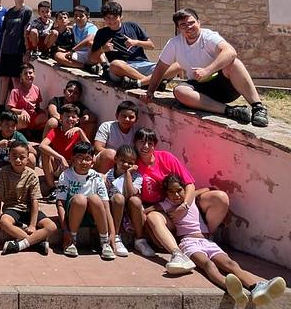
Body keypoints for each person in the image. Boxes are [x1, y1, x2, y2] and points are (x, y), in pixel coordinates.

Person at [149, 174, 287, 307]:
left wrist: (197, 193)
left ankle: (256, 287)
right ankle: (231, 288)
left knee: (230, 264)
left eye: (179, 190)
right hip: (188, 243)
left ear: (184, 189)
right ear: (166, 194)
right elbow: (150, 209)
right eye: (171, 192)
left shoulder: (190, 199)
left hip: (207, 242)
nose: (176, 195)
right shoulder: (167, 204)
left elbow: (205, 190)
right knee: (209, 265)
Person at [146, 8, 269, 127]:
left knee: (234, 63)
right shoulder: (174, 44)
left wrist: (207, 70)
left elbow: (230, 52)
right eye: (183, 25)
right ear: (178, 28)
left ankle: (258, 107)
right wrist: (151, 91)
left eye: (191, 23)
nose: (189, 27)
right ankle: (231, 111)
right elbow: (161, 67)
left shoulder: (208, 37)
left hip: (224, 85)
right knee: (179, 92)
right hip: (200, 90)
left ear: (199, 22)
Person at [135, 128, 230, 274]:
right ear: (135, 143)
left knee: (220, 197)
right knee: (153, 217)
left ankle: (206, 236)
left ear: (155, 145)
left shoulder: (166, 157)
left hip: (184, 201)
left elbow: (189, 184)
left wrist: (185, 206)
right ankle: (177, 254)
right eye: (141, 142)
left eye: (150, 143)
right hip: (163, 208)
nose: (145, 146)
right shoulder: (135, 164)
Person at [90, 1, 180, 90]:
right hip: (122, 69)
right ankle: (149, 83)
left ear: (121, 16)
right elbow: (93, 58)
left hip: (143, 64)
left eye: (114, 17)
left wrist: (136, 42)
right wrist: (103, 49)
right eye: (108, 18)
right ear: (104, 19)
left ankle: (141, 82)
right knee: (115, 64)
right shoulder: (101, 33)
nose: (111, 21)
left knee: (179, 64)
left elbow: (151, 46)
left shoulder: (132, 26)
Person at [56, 142, 115, 260]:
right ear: (72, 159)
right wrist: (65, 229)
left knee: (95, 199)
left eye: (87, 159)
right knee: (80, 199)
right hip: (73, 215)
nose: (84, 162)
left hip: (92, 216)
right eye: (80, 158)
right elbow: (60, 204)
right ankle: (72, 240)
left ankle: (104, 241)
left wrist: (112, 232)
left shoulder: (96, 177)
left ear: (92, 162)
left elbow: (105, 205)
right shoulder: (66, 176)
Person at [0, 141, 57, 255]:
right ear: (9, 157)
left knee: (51, 226)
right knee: (4, 222)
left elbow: (35, 200)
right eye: (14, 157)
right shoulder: (3, 172)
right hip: (12, 208)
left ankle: (20, 245)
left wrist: (33, 225)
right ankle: (36, 242)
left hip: (29, 208)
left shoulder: (32, 174)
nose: (18, 160)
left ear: (27, 159)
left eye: (22, 157)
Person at [104, 144, 154, 258]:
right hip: (115, 210)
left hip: (131, 212)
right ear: (116, 159)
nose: (126, 165)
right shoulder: (108, 175)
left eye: (130, 163)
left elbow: (131, 193)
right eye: (123, 161)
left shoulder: (137, 176)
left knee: (135, 200)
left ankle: (140, 239)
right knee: (118, 198)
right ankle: (116, 236)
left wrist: (127, 175)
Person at [40, 104, 89, 201]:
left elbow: (90, 149)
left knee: (85, 157)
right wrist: (60, 157)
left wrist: (80, 131)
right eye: (68, 116)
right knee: (45, 152)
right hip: (58, 164)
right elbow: (42, 145)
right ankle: (53, 188)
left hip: (72, 165)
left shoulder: (78, 133)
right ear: (61, 118)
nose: (70, 119)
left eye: (73, 117)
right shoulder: (55, 131)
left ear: (77, 120)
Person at [0, 0, 33, 111]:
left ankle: (16, 108)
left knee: (16, 81)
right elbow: (5, 32)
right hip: (6, 50)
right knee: (4, 79)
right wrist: (1, 52)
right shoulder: (9, 12)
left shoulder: (27, 11)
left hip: (18, 51)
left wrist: (27, 51)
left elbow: (27, 32)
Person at [0, 111, 34, 194]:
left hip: (15, 167)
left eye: (13, 126)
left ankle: (26, 185)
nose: (10, 128)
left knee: (31, 157)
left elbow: (33, 151)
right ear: (0, 124)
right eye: (7, 125)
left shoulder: (18, 136)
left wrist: (17, 145)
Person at [93, 100, 139, 173]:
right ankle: (101, 181)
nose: (127, 119)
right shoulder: (107, 126)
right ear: (117, 116)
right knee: (110, 154)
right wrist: (118, 159)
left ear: (136, 119)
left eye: (131, 117)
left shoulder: (137, 132)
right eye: (124, 116)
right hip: (105, 160)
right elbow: (98, 147)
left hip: (125, 163)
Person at [6, 63, 47, 134]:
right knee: (22, 119)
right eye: (25, 73)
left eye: (30, 73)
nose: (28, 75)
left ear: (34, 74)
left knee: (44, 117)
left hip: (32, 118)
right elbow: (10, 109)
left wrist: (44, 112)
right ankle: (20, 132)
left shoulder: (36, 89)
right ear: (21, 76)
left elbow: (37, 107)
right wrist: (22, 111)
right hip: (21, 117)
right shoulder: (16, 91)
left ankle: (30, 131)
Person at [54, 5, 98, 70]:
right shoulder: (75, 27)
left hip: (90, 55)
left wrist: (73, 50)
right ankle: (86, 67)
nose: (78, 18)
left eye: (81, 16)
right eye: (76, 15)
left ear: (87, 17)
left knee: (91, 43)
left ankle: (92, 64)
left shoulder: (91, 27)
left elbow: (89, 39)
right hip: (79, 54)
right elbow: (67, 28)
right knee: (58, 56)